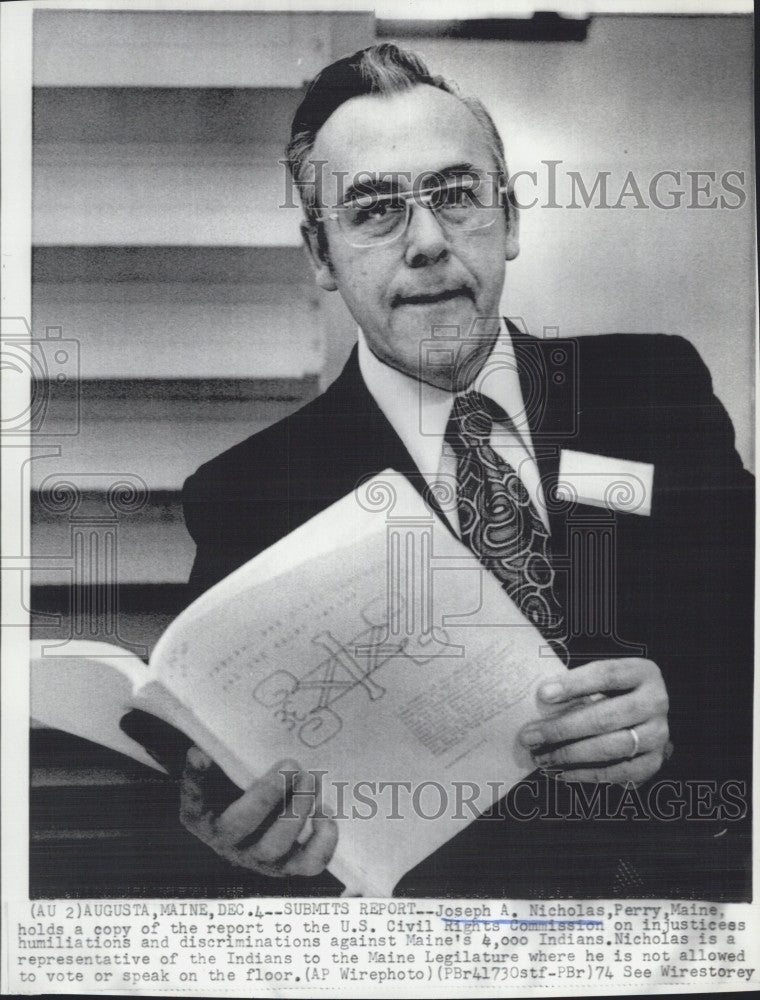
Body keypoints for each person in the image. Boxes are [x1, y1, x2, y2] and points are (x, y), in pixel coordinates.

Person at [178, 44, 753, 898]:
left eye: (455, 196)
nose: (428, 243)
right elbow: (233, 796)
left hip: (679, 925)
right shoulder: (249, 495)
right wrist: (232, 833)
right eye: (374, 210)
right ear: (321, 256)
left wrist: (683, 734)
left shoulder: (654, 390)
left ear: (511, 219)